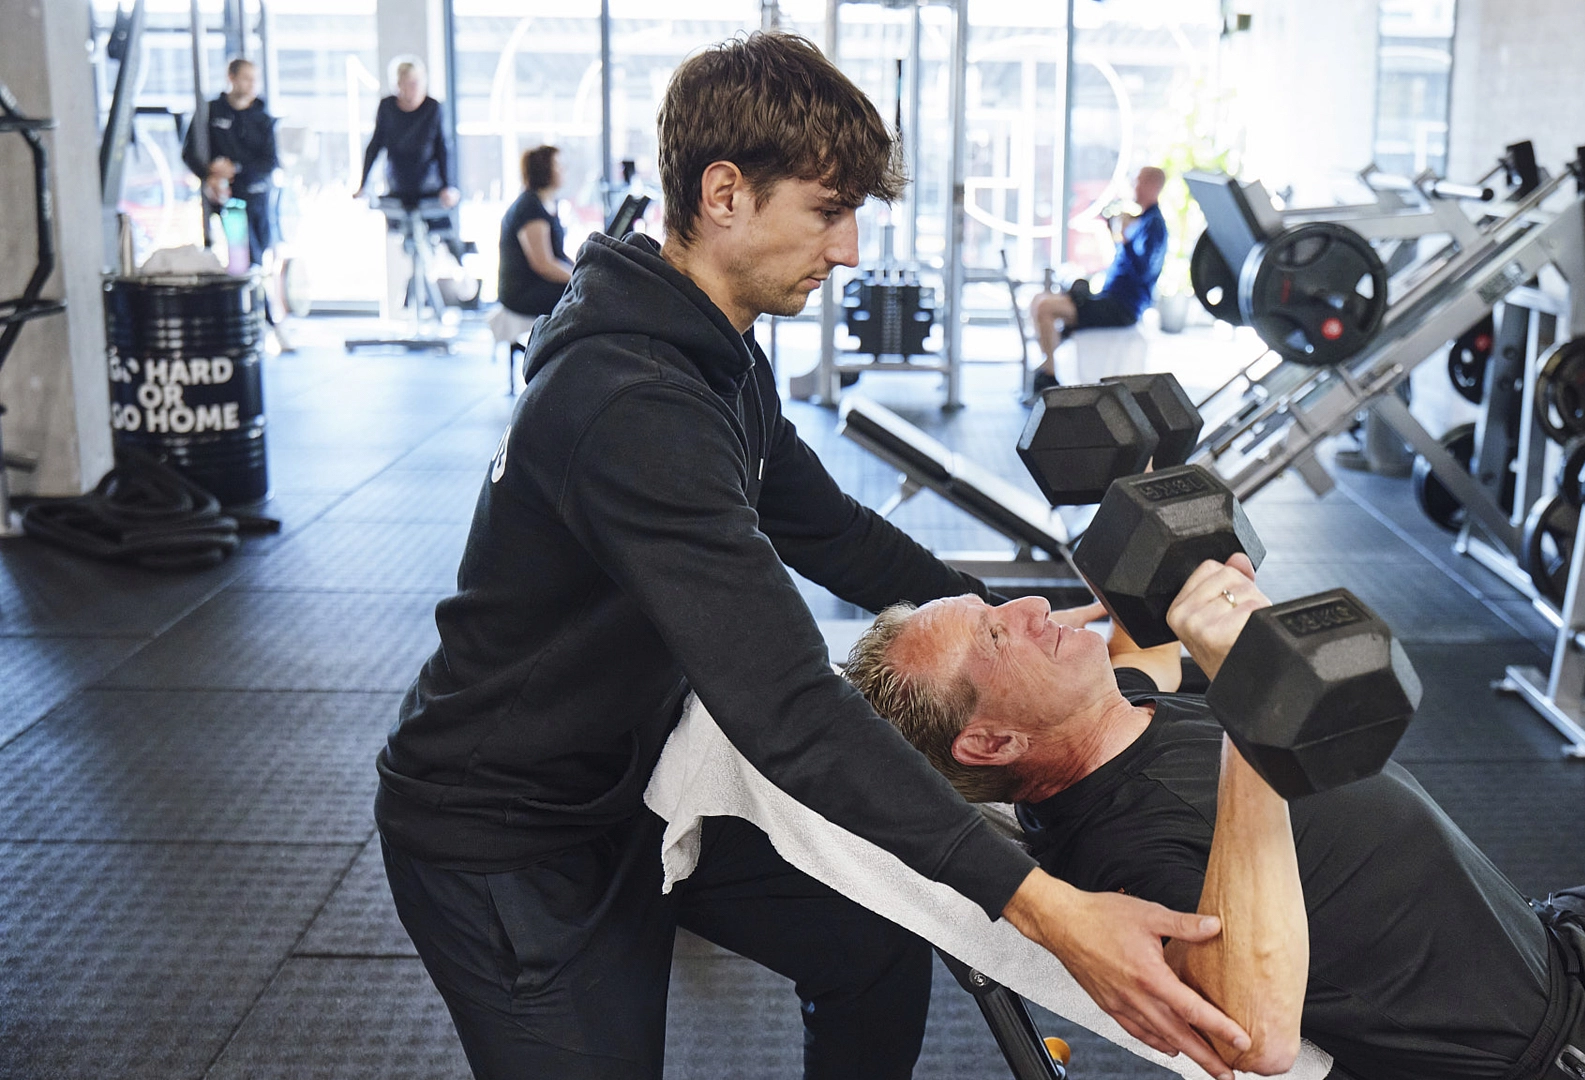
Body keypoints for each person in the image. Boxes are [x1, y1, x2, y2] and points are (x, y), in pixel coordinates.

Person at [376, 32, 1252, 1080]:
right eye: (828, 211)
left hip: (628, 783)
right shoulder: (634, 408)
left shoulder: (715, 349)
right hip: (505, 837)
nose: (845, 251)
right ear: (726, 193)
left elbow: (835, 533)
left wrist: (1042, 627)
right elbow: (789, 706)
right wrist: (1049, 909)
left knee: (871, 944)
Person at [844, 557, 1585, 1080]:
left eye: (993, 604)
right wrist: (1258, 716)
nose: (1026, 611)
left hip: (1552, 938)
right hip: (1554, 1046)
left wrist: (1174, 559)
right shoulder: (1127, 857)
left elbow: (1167, 607)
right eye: (994, 639)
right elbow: (1253, 1037)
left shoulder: (1124, 696)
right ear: (990, 746)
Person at [1027, 166, 1170, 395]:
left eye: (1139, 181)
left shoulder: (1154, 226)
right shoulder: (1140, 220)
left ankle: (1050, 374)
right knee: (1038, 301)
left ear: (1153, 186)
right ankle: (1048, 365)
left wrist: (1124, 239)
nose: (1134, 186)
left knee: (1045, 307)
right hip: (1109, 296)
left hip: (1122, 307)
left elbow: (1143, 270)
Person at [183, 58, 278, 267]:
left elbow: (270, 162)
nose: (251, 84)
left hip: (255, 198)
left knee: (257, 259)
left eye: (254, 79)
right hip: (223, 199)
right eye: (246, 78)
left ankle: (258, 298)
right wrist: (210, 173)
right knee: (236, 259)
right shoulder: (210, 112)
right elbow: (189, 152)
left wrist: (235, 168)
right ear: (231, 78)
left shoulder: (263, 119)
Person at [352, 58, 459, 210]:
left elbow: (443, 148)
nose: (412, 88)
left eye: (416, 83)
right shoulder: (387, 107)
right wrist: (363, 184)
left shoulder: (433, 108)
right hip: (398, 183)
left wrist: (448, 186)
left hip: (429, 184)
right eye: (407, 83)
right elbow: (375, 146)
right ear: (398, 85)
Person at [497, 145, 574, 319]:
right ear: (545, 170)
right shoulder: (530, 207)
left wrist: (582, 269)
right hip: (523, 292)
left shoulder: (546, 203)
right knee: (585, 297)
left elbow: (557, 255)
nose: (563, 170)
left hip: (537, 283)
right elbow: (543, 264)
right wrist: (579, 278)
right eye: (558, 165)